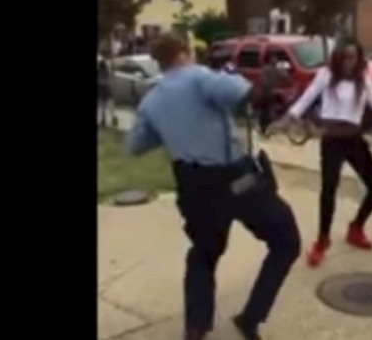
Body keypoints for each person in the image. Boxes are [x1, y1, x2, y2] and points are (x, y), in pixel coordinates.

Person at [126, 33, 300, 340]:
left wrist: (174, 129)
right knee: (286, 241)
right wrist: (269, 83)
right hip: (236, 180)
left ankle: (196, 328)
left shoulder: (152, 99)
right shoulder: (200, 77)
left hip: (194, 187)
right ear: (184, 52)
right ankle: (251, 317)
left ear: (160, 62)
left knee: (204, 254)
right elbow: (246, 95)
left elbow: (136, 144)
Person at [271, 37, 372, 267]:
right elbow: (306, 100)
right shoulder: (326, 75)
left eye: (353, 57)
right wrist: (287, 119)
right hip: (332, 142)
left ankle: (356, 227)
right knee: (328, 192)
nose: (348, 62)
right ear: (338, 57)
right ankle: (322, 241)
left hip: (354, 140)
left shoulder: (363, 78)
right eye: (344, 57)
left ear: (359, 58)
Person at [256, 54, 292, 134]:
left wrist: (289, 80)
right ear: (270, 61)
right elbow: (264, 81)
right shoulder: (267, 69)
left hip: (270, 93)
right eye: (274, 59)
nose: (276, 61)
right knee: (265, 111)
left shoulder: (275, 69)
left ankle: (267, 127)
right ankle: (263, 128)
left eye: (276, 59)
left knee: (269, 110)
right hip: (265, 93)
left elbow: (285, 77)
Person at [97, 48, 118, 128]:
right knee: (109, 101)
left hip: (99, 84)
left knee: (102, 102)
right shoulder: (105, 62)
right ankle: (113, 117)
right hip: (105, 84)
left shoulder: (100, 62)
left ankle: (103, 119)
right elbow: (109, 73)